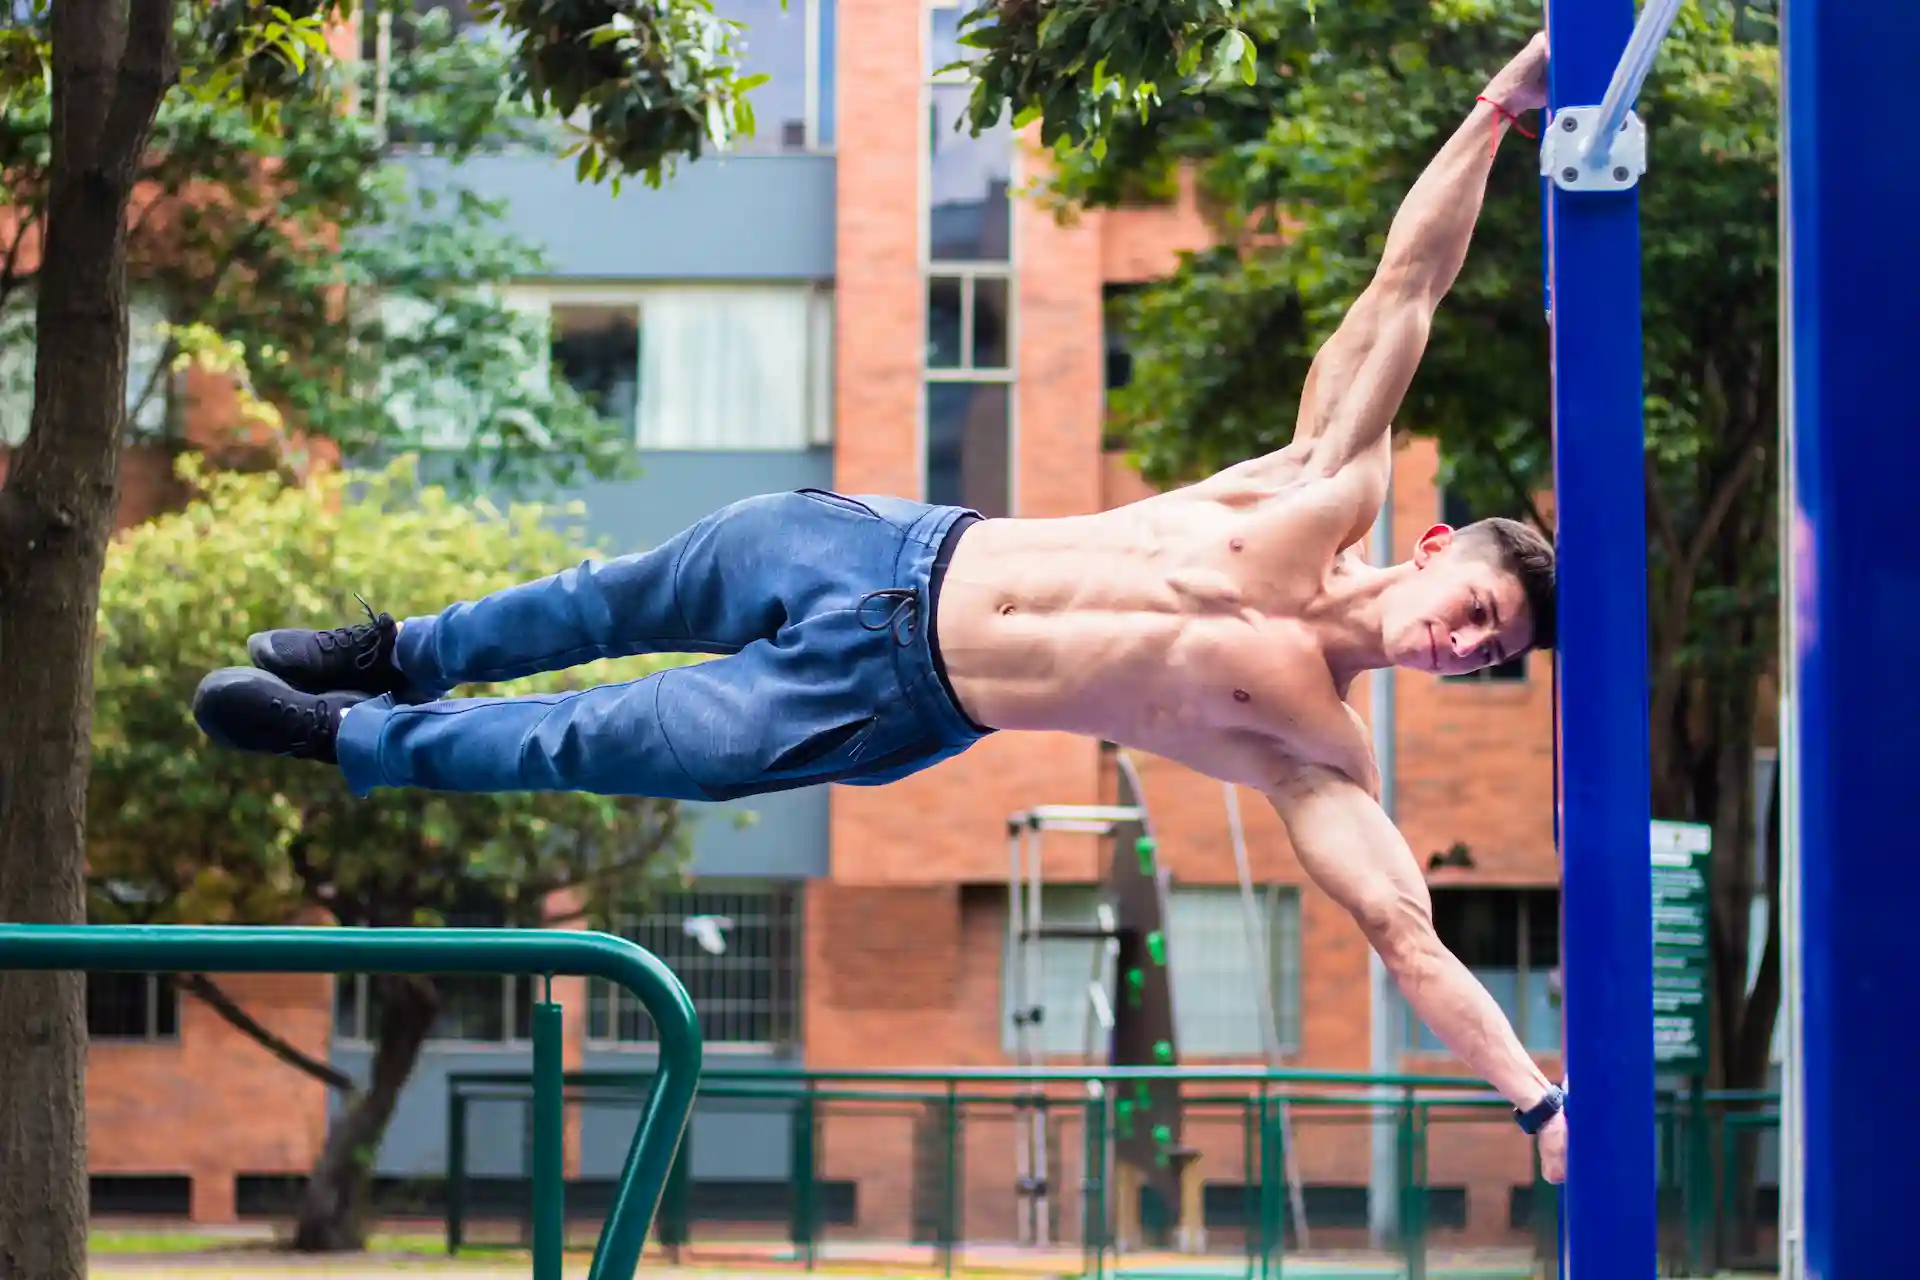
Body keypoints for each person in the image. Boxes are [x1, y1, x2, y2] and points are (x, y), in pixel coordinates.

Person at [195, 36, 1567, 1175]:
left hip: (883, 699)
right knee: (601, 599)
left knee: (594, 739)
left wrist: (1537, 1102)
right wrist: (1501, 104)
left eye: (1487, 650)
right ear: (1438, 544)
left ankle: (338, 737)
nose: (1460, 642)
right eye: (1475, 606)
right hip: (879, 552)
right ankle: (392, 654)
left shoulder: (1316, 752)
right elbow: (1411, 282)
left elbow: (1403, 934)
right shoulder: (1320, 485)